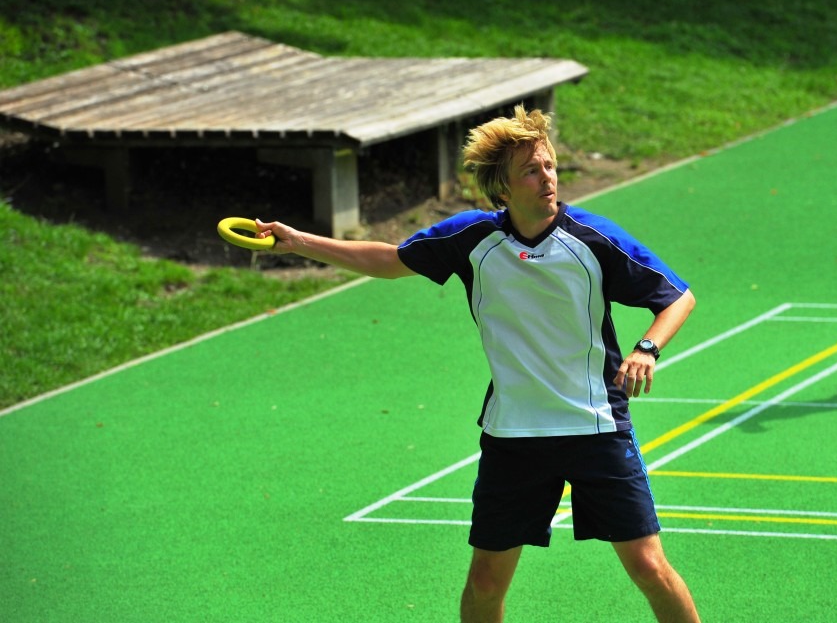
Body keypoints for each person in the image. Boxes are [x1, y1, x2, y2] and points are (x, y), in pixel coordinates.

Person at [255, 106, 701, 622]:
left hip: (595, 426)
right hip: (514, 435)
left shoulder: (592, 239)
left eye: (550, 165)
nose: (547, 178)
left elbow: (677, 297)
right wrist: (298, 242)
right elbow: (388, 260)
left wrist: (647, 348)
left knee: (648, 567)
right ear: (503, 189)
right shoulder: (472, 239)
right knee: (486, 582)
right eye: (531, 170)